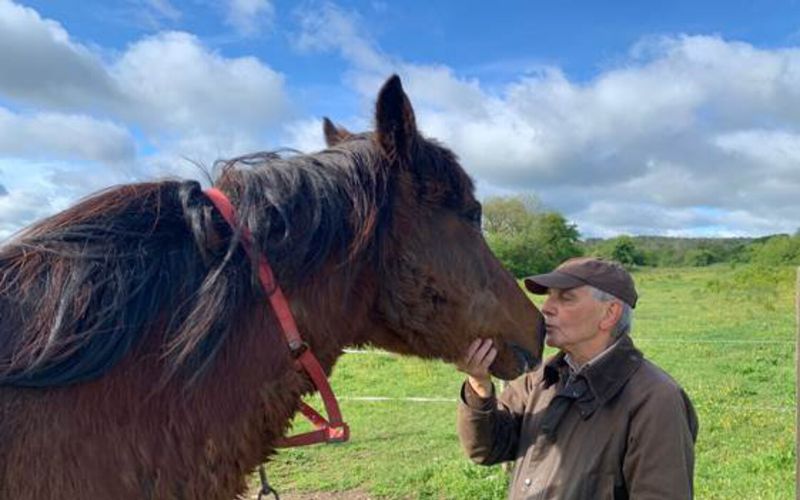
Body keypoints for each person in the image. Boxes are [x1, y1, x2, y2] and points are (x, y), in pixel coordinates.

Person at [456, 257, 699, 499]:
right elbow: (487, 449)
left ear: (609, 313)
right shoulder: (541, 379)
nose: (546, 307)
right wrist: (480, 384)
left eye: (565, 298)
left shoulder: (656, 401)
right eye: (549, 295)